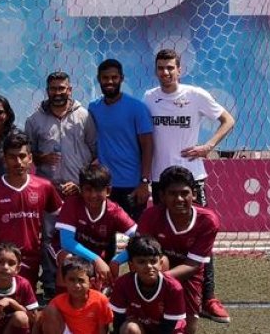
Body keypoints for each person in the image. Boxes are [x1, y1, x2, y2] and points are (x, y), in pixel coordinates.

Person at [143, 49, 235, 324]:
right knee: (159, 239)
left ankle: (208, 299)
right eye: (161, 68)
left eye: (170, 68)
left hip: (191, 179)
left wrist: (208, 146)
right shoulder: (150, 98)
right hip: (160, 180)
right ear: (156, 70)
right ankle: (159, 291)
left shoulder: (195, 95)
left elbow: (227, 120)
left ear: (180, 70)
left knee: (200, 240)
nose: (166, 73)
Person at [24, 71, 96, 296]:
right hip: (49, 191)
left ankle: (86, 284)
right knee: (48, 238)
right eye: (53, 88)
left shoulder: (84, 116)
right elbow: (26, 155)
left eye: (62, 88)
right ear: (47, 91)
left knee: (81, 236)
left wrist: (82, 185)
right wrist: (41, 158)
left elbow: (94, 151)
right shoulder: (34, 120)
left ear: (70, 89)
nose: (58, 93)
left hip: (78, 190)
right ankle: (51, 286)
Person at [131, 166, 219, 334]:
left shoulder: (208, 221)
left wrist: (160, 277)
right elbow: (139, 254)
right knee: (140, 325)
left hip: (188, 274)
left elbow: (193, 265)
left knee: (188, 328)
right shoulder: (151, 216)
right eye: (172, 193)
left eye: (184, 193)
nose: (179, 199)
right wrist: (149, 277)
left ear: (193, 194)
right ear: (162, 196)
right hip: (155, 269)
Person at [0, 132, 60, 291]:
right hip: (1, 255)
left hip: (31, 257)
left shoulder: (44, 186)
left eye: (22, 156)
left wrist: (54, 244)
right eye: (12, 157)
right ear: (4, 160)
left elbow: (60, 214)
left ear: (30, 158)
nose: (18, 162)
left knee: (21, 304)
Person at [88, 60, 154, 221]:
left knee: (136, 236)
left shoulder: (137, 108)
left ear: (122, 78)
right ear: (99, 79)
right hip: (105, 185)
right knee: (105, 237)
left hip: (133, 185)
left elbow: (148, 145)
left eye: (114, 77)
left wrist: (144, 182)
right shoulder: (93, 108)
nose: (110, 81)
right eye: (105, 78)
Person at [53, 164, 136, 290]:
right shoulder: (72, 203)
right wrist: (96, 260)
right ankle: (61, 301)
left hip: (100, 258)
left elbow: (139, 238)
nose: (93, 195)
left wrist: (117, 261)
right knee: (66, 258)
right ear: (81, 189)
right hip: (74, 253)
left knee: (98, 296)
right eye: (88, 189)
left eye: (98, 190)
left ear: (108, 191)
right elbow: (67, 242)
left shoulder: (115, 212)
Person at [108, 236, 187, 334]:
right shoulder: (122, 284)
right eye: (141, 262)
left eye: (153, 261)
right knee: (129, 328)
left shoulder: (174, 288)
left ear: (161, 263)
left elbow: (169, 326)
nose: (149, 266)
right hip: (140, 327)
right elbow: (118, 320)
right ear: (132, 265)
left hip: (168, 330)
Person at [38, 256, 110, 334]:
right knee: (49, 310)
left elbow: (103, 329)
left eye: (81, 280)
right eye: (71, 280)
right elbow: (39, 319)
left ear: (91, 282)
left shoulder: (100, 300)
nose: (76, 285)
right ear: (64, 281)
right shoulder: (58, 302)